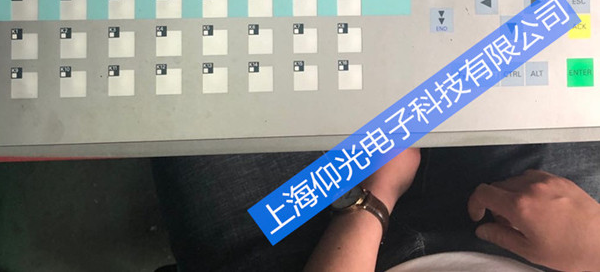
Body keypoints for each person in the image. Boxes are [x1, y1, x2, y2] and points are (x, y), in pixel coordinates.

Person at [152, 142, 600, 272]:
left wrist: (374, 201)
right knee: (545, 20)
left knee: (196, 92)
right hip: (539, 251)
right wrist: (592, 248)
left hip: (310, 256)